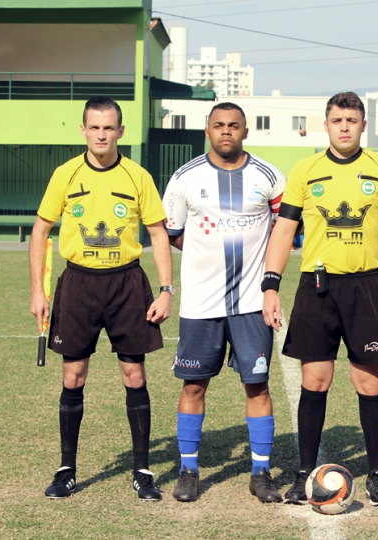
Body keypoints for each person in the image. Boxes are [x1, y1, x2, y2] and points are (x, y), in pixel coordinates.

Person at [262, 92, 378, 507]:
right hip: (317, 288)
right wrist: (271, 285)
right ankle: (302, 475)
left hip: (365, 286)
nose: (345, 126)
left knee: (369, 383)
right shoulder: (306, 170)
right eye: (337, 120)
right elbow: (283, 230)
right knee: (316, 381)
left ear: (363, 125)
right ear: (326, 125)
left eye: (352, 119)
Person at [29, 96, 173, 501]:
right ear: (83, 130)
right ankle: (66, 470)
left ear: (121, 132)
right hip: (78, 284)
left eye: (108, 127)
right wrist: (38, 291)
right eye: (94, 127)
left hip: (127, 283)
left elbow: (159, 234)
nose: (101, 135)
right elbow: (40, 230)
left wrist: (166, 290)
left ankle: (143, 471)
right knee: (73, 376)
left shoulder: (138, 176)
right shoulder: (65, 174)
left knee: (135, 375)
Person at [162, 102, 286, 503]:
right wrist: (208, 253)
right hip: (200, 304)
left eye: (234, 125)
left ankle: (261, 472)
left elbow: (285, 231)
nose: (226, 132)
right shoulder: (184, 178)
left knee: (258, 386)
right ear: (207, 131)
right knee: (194, 384)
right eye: (219, 125)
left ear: (245, 131)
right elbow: (174, 233)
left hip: (252, 303)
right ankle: (188, 469)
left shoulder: (269, 176)